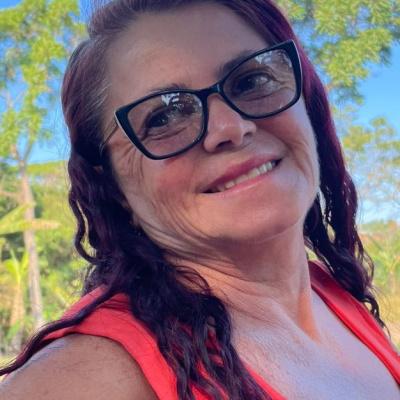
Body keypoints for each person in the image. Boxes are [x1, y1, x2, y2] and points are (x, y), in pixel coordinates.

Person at [1, 0, 399, 399]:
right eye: (163, 117)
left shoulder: (333, 294)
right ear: (114, 189)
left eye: (252, 80)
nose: (231, 127)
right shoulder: (84, 379)